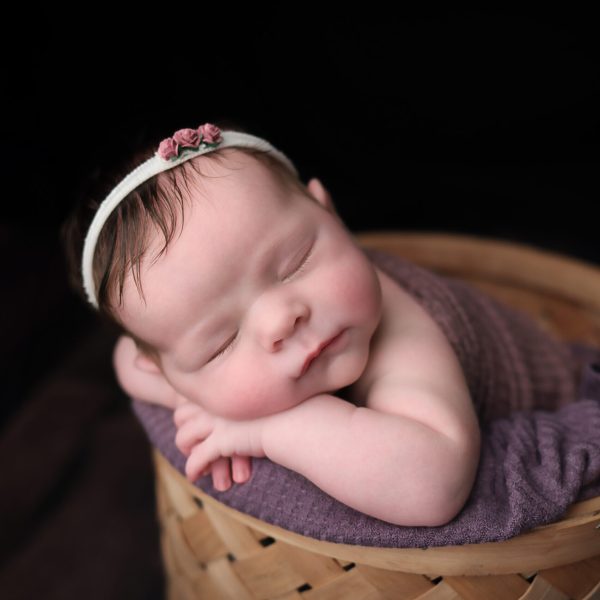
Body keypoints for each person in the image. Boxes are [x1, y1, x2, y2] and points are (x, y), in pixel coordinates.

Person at [61, 121, 481, 527]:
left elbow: (433, 487)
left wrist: (265, 429)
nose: (281, 319)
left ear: (329, 211)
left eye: (294, 263)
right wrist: (202, 399)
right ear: (163, 368)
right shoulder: (157, 359)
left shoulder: (398, 330)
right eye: (220, 343)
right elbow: (127, 360)